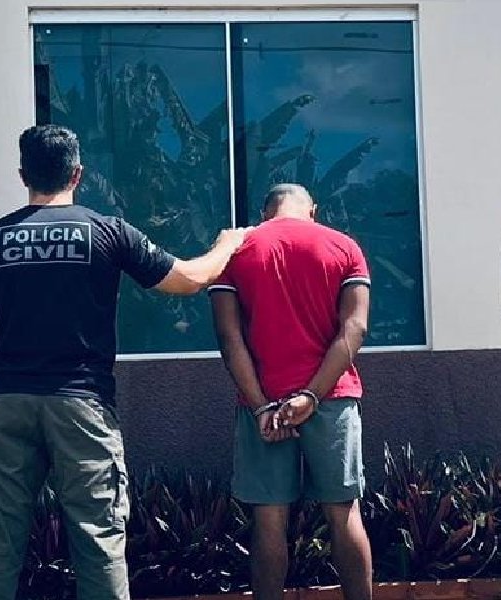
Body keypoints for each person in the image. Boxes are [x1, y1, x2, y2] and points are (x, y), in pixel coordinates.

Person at [0, 125, 248, 600]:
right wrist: (228, 244)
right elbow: (188, 280)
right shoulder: (107, 232)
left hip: (7, 403)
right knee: (98, 540)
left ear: (23, 175)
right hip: (82, 405)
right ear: (78, 175)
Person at [209, 184, 373, 600]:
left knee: (269, 521)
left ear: (265, 212)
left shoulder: (236, 250)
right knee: (343, 514)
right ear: (312, 210)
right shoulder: (344, 246)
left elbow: (229, 339)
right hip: (331, 399)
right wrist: (312, 396)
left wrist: (261, 405)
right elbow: (355, 328)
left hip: (263, 402)